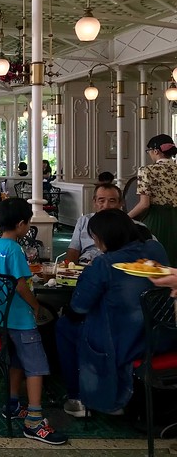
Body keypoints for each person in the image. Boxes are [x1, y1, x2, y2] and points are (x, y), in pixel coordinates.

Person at [56, 209, 168, 418]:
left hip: (125, 341)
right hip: (162, 334)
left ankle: (77, 397)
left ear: (104, 238)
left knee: (64, 326)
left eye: (96, 238)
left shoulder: (105, 264)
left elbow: (79, 307)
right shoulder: (155, 249)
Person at [0, 197, 67, 445]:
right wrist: (36, 307)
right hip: (21, 317)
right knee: (36, 366)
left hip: (3, 315)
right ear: (22, 224)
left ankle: (13, 403)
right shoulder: (15, 249)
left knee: (17, 360)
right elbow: (21, 285)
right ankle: (34, 421)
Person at [127, 134, 177, 266]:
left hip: (157, 220)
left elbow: (144, 204)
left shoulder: (147, 170)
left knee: (154, 261)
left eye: (148, 151)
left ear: (156, 151)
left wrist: (125, 218)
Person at [65, 183, 123, 265]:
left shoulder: (131, 226)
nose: (106, 206)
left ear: (120, 204)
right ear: (94, 202)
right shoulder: (84, 220)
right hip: (84, 264)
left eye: (112, 201)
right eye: (101, 201)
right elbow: (74, 250)